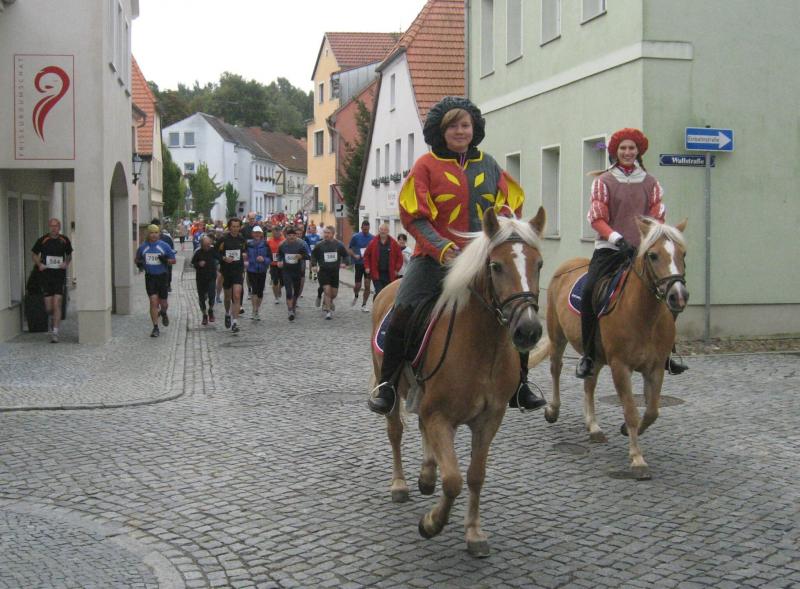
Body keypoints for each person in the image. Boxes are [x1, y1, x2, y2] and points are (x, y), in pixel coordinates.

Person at [368, 96, 546, 415]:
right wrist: (442, 247)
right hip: (434, 259)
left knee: (517, 305)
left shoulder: (489, 165)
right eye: (453, 126)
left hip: (482, 261)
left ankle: (520, 383)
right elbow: (414, 217)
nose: (460, 131)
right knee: (403, 308)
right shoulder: (426, 166)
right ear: (441, 131)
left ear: (474, 129)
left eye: (465, 125)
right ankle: (388, 384)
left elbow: (509, 210)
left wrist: (504, 238)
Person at [577, 127, 688, 379]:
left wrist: (648, 240)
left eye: (631, 148)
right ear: (616, 152)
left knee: (670, 289)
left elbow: (657, 217)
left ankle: (666, 352)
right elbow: (597, 218)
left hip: (643, 252)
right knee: (589, 290)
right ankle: (588, 355)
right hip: (609, 250)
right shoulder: (603, 181)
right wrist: (616, 238)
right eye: (623, 148)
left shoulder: (651, 183)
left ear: (638, 151)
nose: (627, 152)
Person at [31, 218, 73, 343]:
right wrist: (39, 264)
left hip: (59, 276)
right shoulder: (43, 240)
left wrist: (66, 263)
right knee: (49, 307)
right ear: (49, 227)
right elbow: (34, 254)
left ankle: (55, 332)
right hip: (46, 276)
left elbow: (69, 255)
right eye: (51, 226)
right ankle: (52, 319)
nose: (53, 228)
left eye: (56, 226)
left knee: (57, 303)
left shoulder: (64, 240)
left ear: (59, 227)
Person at [135, 224, 176, 337]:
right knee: (153, 301)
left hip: (162, 277)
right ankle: (155, 327)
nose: (153, 235)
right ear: (147, 234)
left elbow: (173, 260)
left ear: (159, 234)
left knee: (164, 303)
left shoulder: (164, 246)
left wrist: (166, 260)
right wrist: (140, 264)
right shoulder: (143, 247)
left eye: (156, 233)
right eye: (151, 233)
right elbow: (137, 259)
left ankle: (163, 312)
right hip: (150, 277)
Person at [216, 217, 248, 333]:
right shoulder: (223, 239)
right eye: (233, 227)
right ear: (229, 227)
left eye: (237, 227)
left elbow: (245, 251)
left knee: (237, 295)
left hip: (238, 270)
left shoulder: (242, 239)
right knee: (227, 297)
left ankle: (235, 322)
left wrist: (244, 255)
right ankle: (227, 313)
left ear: (240, 227)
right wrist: (224, 258)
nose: (235, 229)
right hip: (227, 271)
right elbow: (215, 253)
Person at [311, 225, 349, 320]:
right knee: (327, 291)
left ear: (333, 234)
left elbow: (346, 255)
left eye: (328, 233)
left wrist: (345, 263)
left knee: (334, 294)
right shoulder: (319, 245)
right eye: (325, 233)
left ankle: (327, 301)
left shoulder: (339, 245)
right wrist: (314, 265)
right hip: (323, 271)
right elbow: (313, 255)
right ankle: (328, 312)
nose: (326, 235)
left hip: (334, 272)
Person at [277, 226, 309, 321]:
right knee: (289, 291)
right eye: (289, 235)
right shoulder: (282, 245)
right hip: (286, 271)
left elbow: (307, 256)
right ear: (286, 236)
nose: (291, 237)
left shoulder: (300, 245)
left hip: (297, 271)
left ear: (296, 236)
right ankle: (290, 310)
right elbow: (279, 255)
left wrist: (301, 256)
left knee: (296, 291)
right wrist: (279, 261)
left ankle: (293, 305)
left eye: (293, 235)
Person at [363, 223, 403, 297]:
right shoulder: (373, 242)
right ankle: (377, 301)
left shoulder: (393, 243)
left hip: (389, 274)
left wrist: (396, 269)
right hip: (376, 273)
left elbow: (400, 257)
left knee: (387, 294)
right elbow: (366, 255)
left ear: (388, 231)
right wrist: (367, 267)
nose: (383, 231)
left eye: (385, 230)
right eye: (381, 229)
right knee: (380, 292)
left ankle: (377, 301)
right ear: (379, 230)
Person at [191, 235, 218, 325]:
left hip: (211, 277)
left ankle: (210, 310)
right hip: (201, 278)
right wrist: (198, 264)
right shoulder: (198, 252)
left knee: (211, 295)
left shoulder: (213, 250)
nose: (207, 247)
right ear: (201, 244)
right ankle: (204, 315)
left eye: (208, 245)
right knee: (202, 298)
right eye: (205, 245)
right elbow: (192, 263)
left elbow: (220, 258)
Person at [348, 220, 374, 312]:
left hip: (368, 265)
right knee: (358, 285)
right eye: (364, 229)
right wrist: (354, 255)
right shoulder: (356, 237)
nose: (366, 231)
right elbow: (349, 249)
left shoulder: (373, 238)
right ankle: (356, 295)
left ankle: (364, 305)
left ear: (369, 228)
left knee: (367, 285)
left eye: (367, 229)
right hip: (359, 263)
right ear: (361, 228)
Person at [245, 225, 271, 320]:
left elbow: (270, 258)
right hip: (252, 270)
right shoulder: (248, 244)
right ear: (252, 234)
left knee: (260, 292)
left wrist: (264, 259)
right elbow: (244, 255)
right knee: (254, 290)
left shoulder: (265, 244)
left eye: (259, 233)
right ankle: (254, 310)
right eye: (255, 233)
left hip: (262, 270)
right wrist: (245, 261)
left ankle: (257, 310)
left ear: (261, 234)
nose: (257, 235)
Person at [267, 225, 285, 305]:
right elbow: (267, 252)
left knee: (283, 282)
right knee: (275, 281)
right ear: (272, 232)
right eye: (274, 232)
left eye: (278, 232)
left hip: (282, 264)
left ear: (280, 232)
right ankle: (276, 297)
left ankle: (279, 288)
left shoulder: (284, 240)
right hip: (273, 264)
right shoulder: (269, 241)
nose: (276, 233)